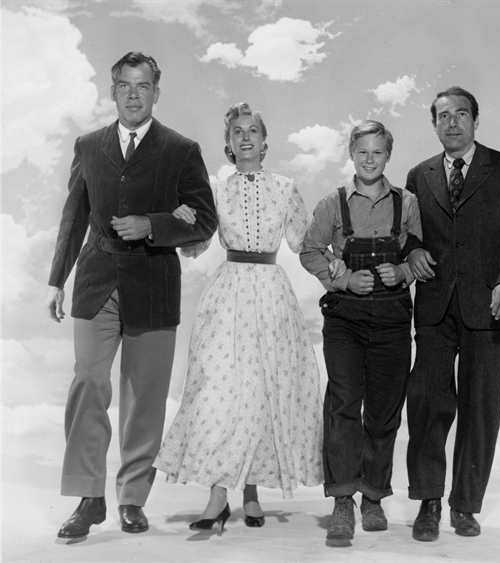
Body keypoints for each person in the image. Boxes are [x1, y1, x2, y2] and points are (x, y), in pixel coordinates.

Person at [45, 51, 217, 540]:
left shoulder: (181, 149)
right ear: (113, 90)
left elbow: (205, 220)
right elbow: (73, 217)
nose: (133, 95)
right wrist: (57, 280)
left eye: (143, 86)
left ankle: (132, 499)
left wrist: (152, 225)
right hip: (96, 282)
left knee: (145, 396)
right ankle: (89, 497)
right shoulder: (88, 145)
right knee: (88, 382)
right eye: (125, 85)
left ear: (156, 92)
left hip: (154, 284)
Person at [154, 103, 329, 532]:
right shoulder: (215, 190)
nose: (246, 137)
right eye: (237, 132)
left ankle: (250, 491)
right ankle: (217, 495)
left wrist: (339, 260)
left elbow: (304, 243)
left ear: (264, 142)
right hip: (227, 295)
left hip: (271, 295)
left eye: (253, 131)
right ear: (229, 144)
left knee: (263, 392)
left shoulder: (285, 188)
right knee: (220, 389)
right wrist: (180, 221)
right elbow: (194, 246)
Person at [403, 86, 500, 541]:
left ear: (476, 121)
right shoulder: (418, 175)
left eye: (461, 114)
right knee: (426, 402)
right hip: (435, 306)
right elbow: (407, 230)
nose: (452, 122)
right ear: (433, 124)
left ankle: (464, 506)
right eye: (443, 116)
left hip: (489, 306)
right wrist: (413, 250)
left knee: (481, 408)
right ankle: (428, 503)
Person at [300, 120, 423, 542]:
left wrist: (403, 272)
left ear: (389, 155)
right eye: (363, 152)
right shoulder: (332, 204)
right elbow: (309, 250)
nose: (370, 160)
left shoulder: (407, 203)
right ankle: (341, 501)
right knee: (343, 406)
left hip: (392, 317)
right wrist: (343, 279)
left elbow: (418, 254)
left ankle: (372, 497)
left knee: (385, 410)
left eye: (378, 152)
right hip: (345, 319)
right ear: (351, 154)